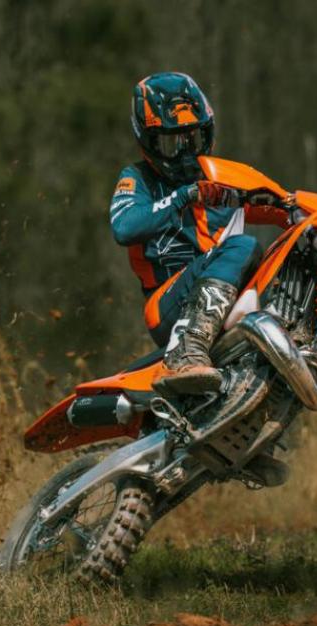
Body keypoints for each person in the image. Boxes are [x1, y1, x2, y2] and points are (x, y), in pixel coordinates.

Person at [109, 72, 260, 396]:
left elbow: (280, 201)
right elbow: (125, 227)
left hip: (224, 297)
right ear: (148, 141)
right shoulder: (138, 178)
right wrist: (183, 197)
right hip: (166, 304)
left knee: (283, 254)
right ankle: (186, 350)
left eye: (193, 139)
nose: (185, 153)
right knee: (242, 246)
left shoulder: (221, 177)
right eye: (171, 143)